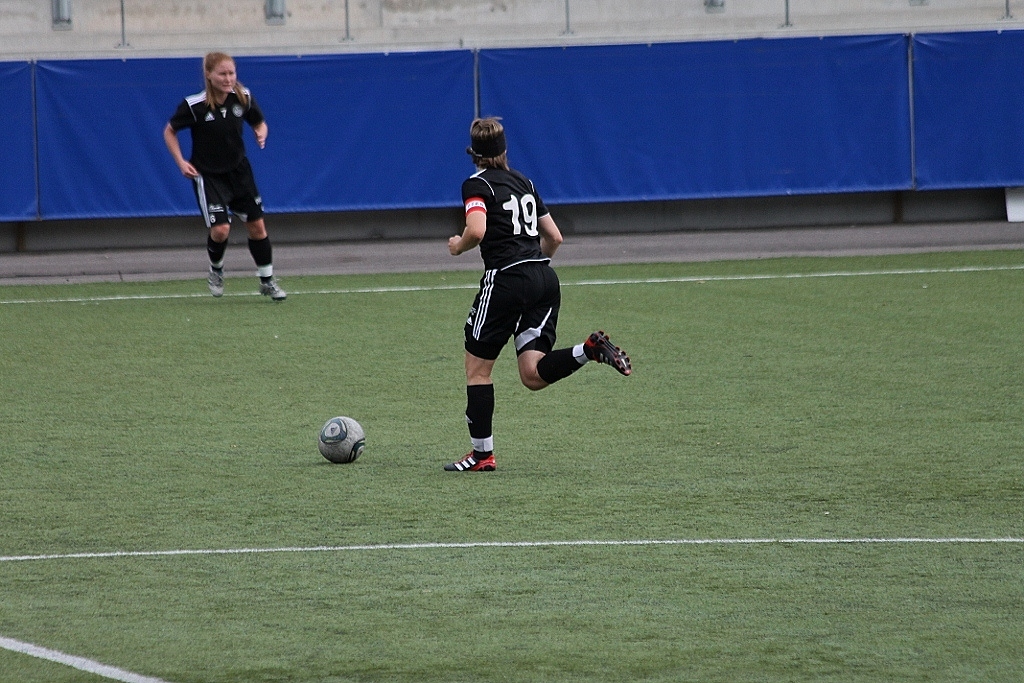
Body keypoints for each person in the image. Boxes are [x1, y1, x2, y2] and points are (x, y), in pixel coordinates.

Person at [445, 117, 632, 472]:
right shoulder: (524, 182)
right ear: (504, 151)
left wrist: (458, 246)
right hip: (544, 278)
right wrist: (533, 269)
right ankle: (588, 350)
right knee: (532, 375)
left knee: (478, 371)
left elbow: (477, 230)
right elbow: (555, 237)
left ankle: (482, 456)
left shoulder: (476, 184)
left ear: (474, 155)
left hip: (506, 279)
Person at [163, 52, 286, 301]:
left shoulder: (242, 97)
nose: (228, 79)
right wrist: (181, 162)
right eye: (222, 74)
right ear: (209, 75)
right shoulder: (195, 105)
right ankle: (216, 270)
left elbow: (259, 122)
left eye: (232, 73)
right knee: (220, 229)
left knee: (257, 226)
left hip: (239, 172)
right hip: (208, 175)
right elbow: (170, 131)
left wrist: (261, 132)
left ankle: (267, 280)